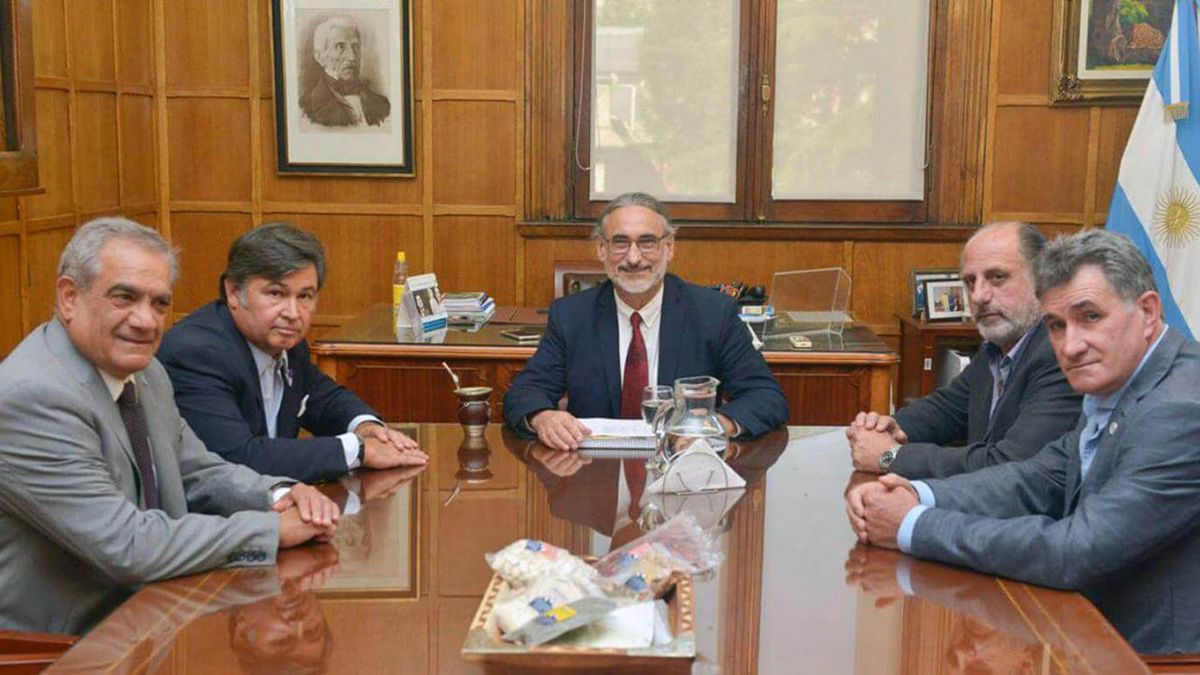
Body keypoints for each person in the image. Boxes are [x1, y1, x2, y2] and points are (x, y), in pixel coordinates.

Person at [846, 229, 1200, 655]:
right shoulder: (1122, 381)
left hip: (1151, 657)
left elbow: (1077, 550)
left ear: (1147, 312)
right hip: (1080, 629)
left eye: (1090, 316)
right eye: (1056, 325)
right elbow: (1036, 477)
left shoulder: (1180, 408)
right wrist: (916, 492)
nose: (1070, 345)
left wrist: (911, 524)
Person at [0, 218, 340, 636]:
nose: (145, 321)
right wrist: (270, 529)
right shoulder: (31, 397)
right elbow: (127, 544)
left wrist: (279, 496)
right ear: (69, 297)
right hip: (64, 648)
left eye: (159, 303)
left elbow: (197, 470)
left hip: (157, 613)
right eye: (124, 297)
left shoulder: (147, 373)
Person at [502, 191, 788, 450]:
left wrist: (713, 427)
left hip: (682, 474)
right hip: (592, 477)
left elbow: (765, 396)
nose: (634, 258)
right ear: (601, 249)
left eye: (648, 242)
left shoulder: (713, 313)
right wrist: (542, 416)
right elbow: (526, 391)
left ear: (670, 248)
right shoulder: (571, 315)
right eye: (620, 243)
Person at [160, 223, 427, 484]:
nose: (292, 313)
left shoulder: (286, 342)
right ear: (233, 292)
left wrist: (366, 428)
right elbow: (239, 460)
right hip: (214, 521)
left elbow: (321, 397)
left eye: (305, 296)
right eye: (276, 293)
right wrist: (359, 449)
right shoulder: (196, 353)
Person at [847, 222, 1081, 478]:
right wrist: (889, 427)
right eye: (970, 281)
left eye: (997, 277)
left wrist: (891, 456)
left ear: (1042, 279)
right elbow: (947, 408)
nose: (979, 295)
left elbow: (1011, 466)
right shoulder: (995, 349)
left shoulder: (1062, 354)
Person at [300, 15, 390, 128]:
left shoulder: (383, 105)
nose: (352, 57)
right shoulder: (305, 109)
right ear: (320, 57)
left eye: (355, 46)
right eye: (340, 47)